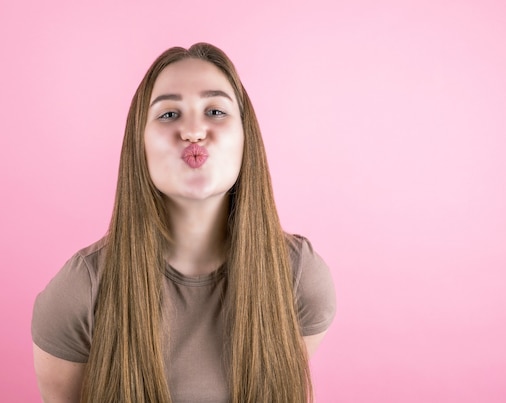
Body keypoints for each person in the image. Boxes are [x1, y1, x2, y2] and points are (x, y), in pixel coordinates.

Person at [31, 43, 336, 403]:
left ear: (245, 138)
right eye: (169, 115)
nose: (193, 131)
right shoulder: (81, 289)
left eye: (215, 111)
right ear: (138, 145)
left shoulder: (300, 276)